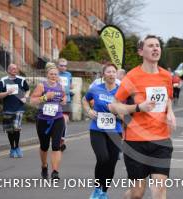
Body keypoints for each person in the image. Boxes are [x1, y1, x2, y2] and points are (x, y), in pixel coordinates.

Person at [108, 35, 176, 199]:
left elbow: (168, 98)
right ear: (141, 51)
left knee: (159, 189)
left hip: (161, 140)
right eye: (150, 45)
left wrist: (171, 113)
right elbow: (113, 106)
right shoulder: (132, 77)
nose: (155, 48)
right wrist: (138, 107)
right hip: (135, 142)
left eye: (158, 45)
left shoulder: (166, 76)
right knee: (137, 193)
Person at [82, 63, 123, 199]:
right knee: (103, 158)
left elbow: (129, 110)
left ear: (116, 74)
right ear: (103, 75)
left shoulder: (122, 91)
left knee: (111, 163)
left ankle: (104, 192)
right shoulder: (95, 89)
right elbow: (85, 100)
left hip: (115, 130)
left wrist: (121, 114)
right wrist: (88, 110)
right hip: (97, 129)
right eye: (108, 72)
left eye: (113, 72)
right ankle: (97, 188)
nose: (111, 74)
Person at [30, 63, 66, 179]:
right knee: (44, 146)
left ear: (58, 75)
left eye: (55, 74)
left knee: (56, 146)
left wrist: (63, 100)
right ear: (47, 75)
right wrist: (45, 97)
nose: (53, 76)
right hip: (43, 120)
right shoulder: (42, 86)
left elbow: (64, 98)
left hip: (58, 119)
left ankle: (55, 171)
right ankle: (44, 166)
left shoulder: (61, 86)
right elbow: (32, 101)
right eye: (51, 74)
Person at [0, 63, 30, 158]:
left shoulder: (22, 80)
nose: (14, 70)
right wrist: (7, 92)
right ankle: (12, 148)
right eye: (12, 68)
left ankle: (17, 147)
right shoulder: (3, 81)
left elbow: (27, 90)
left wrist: (26, 97)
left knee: (16, 128)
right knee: (10, 130)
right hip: (8, 108)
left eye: (15, 68)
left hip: (18, 108)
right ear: (8, 70)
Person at [57, 58, 73, 152]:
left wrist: (70, 88)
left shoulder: (68, 74)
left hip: (67, 100)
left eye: (65, 65)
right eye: (61, 65)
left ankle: (62, 140)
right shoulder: (55, 74)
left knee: (64, 120)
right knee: (57, 122)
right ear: (58, 66)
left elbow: (70, 85)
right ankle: (58, 139)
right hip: (56, 101)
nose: (63, 67)